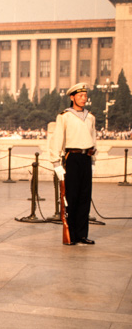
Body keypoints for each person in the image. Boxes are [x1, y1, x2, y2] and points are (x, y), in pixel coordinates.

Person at [49, 82, 96, 245]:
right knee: (72, 197)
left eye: (85, 96)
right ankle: (72, 233)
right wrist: (56, 163)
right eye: (80, 96)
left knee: (85, 197)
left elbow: (93, 139)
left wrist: (93, 161)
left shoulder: (90, 117)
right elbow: (57, 139)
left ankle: (82, 234)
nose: (84, 98)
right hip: (72, 158)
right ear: (72, 97)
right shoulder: (64, 116)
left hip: (86, 158)